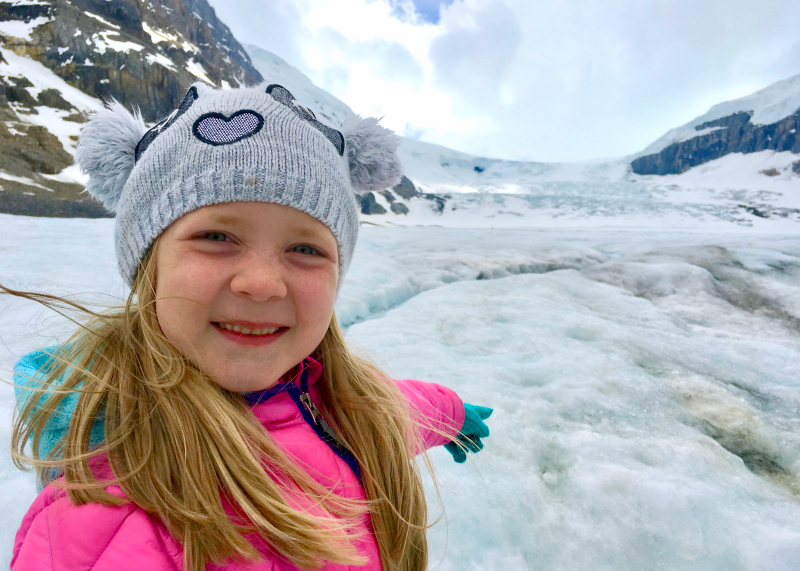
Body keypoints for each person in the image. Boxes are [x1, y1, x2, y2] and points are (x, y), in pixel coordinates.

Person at [7, 82, 493, 571]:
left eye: (306, 249)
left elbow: (381, 413)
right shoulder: (110, 516)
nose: (262, 284)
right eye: (216, 236)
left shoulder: (331, 399)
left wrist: (448, 415)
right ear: (148, 266)